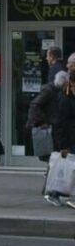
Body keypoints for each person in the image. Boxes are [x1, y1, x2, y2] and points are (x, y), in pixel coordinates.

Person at [45, 71, 73, 207]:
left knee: (68, 168)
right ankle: (54, 193)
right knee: (64, 168)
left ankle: (57, 193)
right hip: (67, 139)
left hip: (70, 137)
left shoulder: (70, 97)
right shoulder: (65, 99)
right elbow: (60, 123)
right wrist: (63, 145)